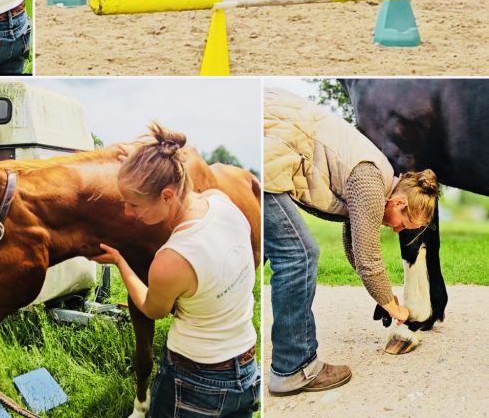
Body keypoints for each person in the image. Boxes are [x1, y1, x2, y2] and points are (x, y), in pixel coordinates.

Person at [264, 88, 440, 396]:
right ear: (399, 202)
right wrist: (396, 309)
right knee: (300, 254)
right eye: (404, 225)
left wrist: (382, 299)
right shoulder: (372, 181)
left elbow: (357, 248)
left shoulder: (378, 179)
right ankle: (295, 368)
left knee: (268, 249)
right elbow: (369, 259)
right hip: (272, 148)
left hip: (273, 144)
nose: (399, 231)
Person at [93, 123, 260, 418]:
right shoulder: (223, 203)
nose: (129, 214)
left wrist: (121, 262)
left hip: (196, 382)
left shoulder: (173, 258)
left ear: (167, 196)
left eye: (134, 204)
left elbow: (151, 308)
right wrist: (143, 170)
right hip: (246, 368)